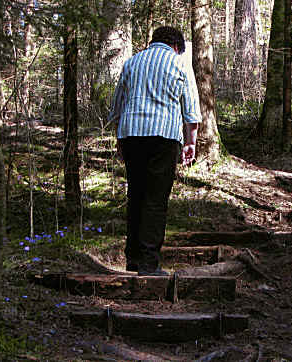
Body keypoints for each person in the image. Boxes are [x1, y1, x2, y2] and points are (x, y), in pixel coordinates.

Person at [109, 26, 202, 276]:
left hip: (131, 135)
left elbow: (117, 106)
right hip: (164, 138)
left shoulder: (132, 62)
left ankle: (133, 260)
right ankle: (149, 265)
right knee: (155, 200)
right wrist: (191, 143)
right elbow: (191, 111)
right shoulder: (180, 64)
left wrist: (120, 137)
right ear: (176, 47)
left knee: (136, 195)